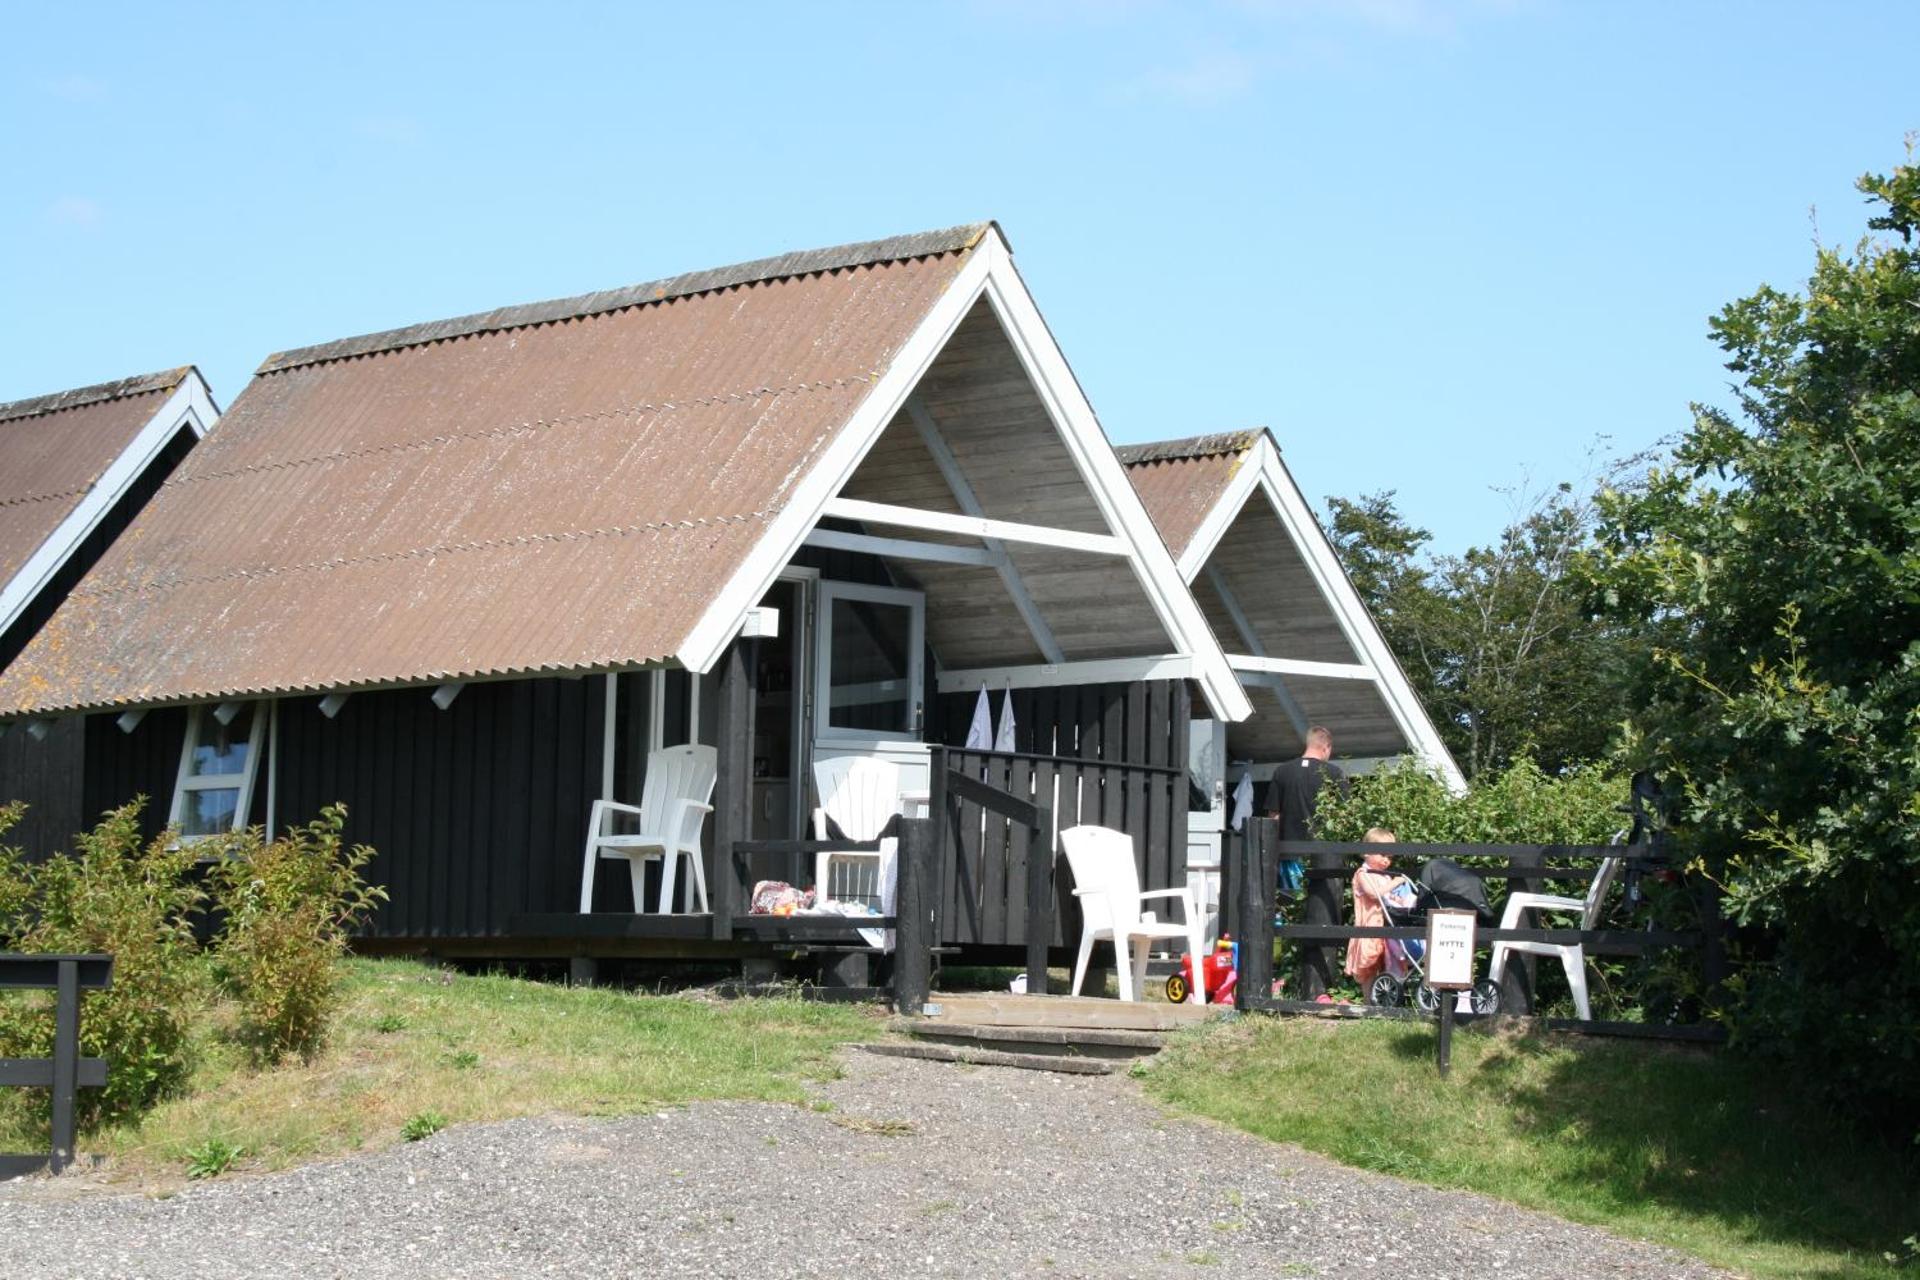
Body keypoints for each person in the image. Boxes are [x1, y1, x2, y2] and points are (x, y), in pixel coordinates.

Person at [1269, 725, 1348, 899]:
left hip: (1288, 853)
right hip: (1323, 855)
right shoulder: (1334, 774)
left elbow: (1274, 816)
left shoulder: (1281, 772)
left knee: (1289, 904)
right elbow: (1344, 815)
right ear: (1326, 747)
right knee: (1321, 907)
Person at [1344, 828, 1410, 991]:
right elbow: (1374, 894)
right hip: (1369, 926)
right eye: (1382, 854)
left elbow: (1389, 898)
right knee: (1369, 965)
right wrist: (1394, 883)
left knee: (1386, 962)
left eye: (1389, 857)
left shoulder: (1385, 876)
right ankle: (1368, 1001)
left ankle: (1382, 998)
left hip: (1386, 926)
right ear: (1367, 852)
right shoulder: (1363, 874)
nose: (1386, 860)